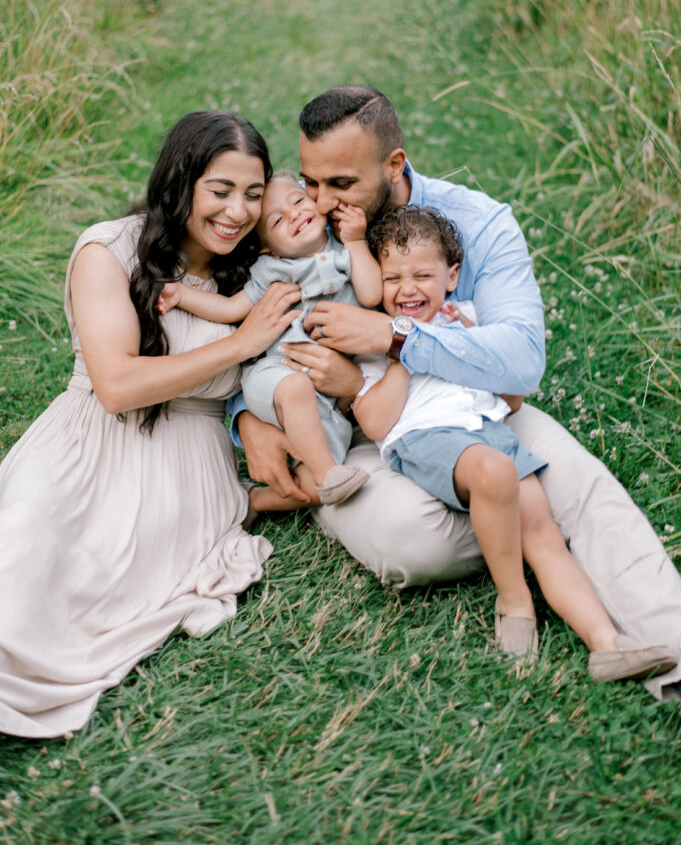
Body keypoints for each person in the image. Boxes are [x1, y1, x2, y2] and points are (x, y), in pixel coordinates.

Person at [235, 83, 681, 701]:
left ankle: (667, 650)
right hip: (352, 434)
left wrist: (395, 336)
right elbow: (246, 332)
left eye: (340, 184)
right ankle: (509, 533)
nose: (319, 201)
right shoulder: (299, 228)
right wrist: (246, 419)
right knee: (410, 543)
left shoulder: (478, 223)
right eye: (310, 181)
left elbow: (521, 364)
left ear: (395, 165)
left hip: (465, 407)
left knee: (579, 483)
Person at [0, 110, 303, 738]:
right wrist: (239, 344)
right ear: (180, 181)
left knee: (97, 586)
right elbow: (116, 386)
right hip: (84, 448)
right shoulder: (109, 249)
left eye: (253, 194)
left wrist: (252, 417)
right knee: (22, 548)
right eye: (220, 192)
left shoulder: (253, 269)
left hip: (183, 475)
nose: (238, 212)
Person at [352, 204, 676, 679]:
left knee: (543, 533)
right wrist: (405, 348)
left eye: (422, 274)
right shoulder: (373, 338)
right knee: (494, 472)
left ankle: (606, 644)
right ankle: (515, 602)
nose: (407, 289)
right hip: (424, 437)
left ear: (452, 275)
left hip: (487, 432)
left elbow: (514, 396)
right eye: (392, 277)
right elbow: (377, 423)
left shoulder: (468, 319)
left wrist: (465, 343)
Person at [158, 169, 381, 505]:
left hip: (325, 399)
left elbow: (371, 294)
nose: (294, 215)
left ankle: (255, 502)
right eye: (278, 221)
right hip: (275, 375)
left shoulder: (345, 251)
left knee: (310, 486)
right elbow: (231, 308)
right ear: (268, 249)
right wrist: (181, 295)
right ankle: (327, 473)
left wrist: (356, 243)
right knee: (296, 389)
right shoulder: (272, 272)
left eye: (298, 201)